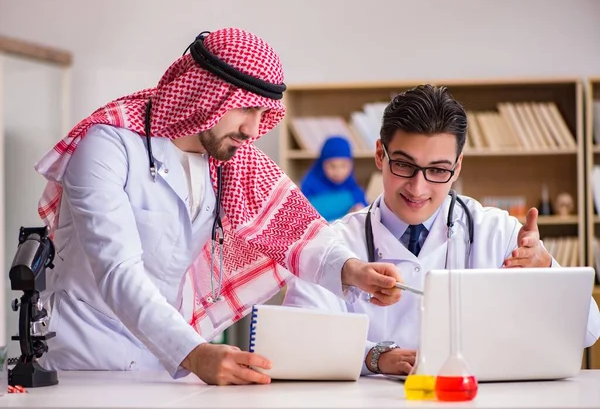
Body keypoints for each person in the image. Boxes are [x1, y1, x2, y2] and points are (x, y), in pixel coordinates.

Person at [32, 28, 403, 386]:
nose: (252, 130)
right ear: (206, 95)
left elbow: (291, 226)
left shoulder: (227, 157)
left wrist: (355, 271)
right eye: (245, 109)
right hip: (83, 359)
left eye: (263, 113)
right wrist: (195, 353)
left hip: (160, 359)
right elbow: (117, 269)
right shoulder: (109, 147)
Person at [283, 84, 600, 376]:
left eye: (437, 170)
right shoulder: (334, 242)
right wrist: (374, 357)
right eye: (405, 165)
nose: (418, 188)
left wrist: (544, 269)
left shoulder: (497, 232)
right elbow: (301, 342)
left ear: (457, 167)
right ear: (381, 154)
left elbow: (586, 332)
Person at [301, 136, 367, 221]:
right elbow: (304, 216)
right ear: (322, 164)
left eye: (344, 165)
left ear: (351, 164)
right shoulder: (309, 186)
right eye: (332, 166)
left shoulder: (354, 189)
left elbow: (365, 215)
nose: (338, 172)